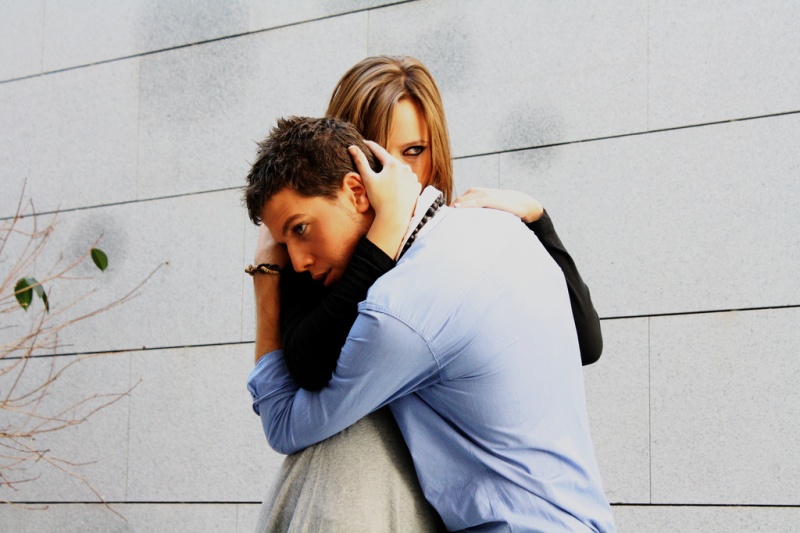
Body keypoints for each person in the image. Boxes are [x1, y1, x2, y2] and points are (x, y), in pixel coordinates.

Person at [248, 56, 605, 532]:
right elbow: (308, 357)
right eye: (376, 155)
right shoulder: (481, 235)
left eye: (412, 151)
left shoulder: (411, 301)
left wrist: (538, 220)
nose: (396, 175)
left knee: (335, 442)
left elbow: (286, 423)